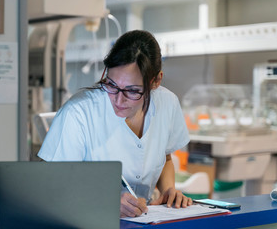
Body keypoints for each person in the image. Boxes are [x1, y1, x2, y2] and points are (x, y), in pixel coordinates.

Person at [37, 30, 193, 218]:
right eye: (111, 84)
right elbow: (50, 184)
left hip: (143, 220)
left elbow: (165, 158)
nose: (119, 100)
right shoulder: (78, 112)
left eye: (132, 90)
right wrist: (103, 200)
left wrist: (169, 190)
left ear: (156, 81)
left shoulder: (167, 104)